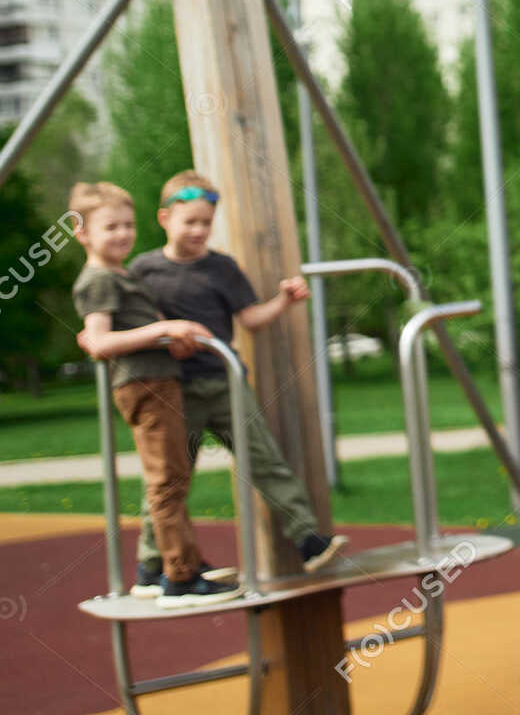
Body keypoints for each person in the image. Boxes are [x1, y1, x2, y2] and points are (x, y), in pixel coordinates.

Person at [127, 170, 347, 588]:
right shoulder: (144, 271)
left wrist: (283, 301)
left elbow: (250, 319)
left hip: (225, 382)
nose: (198, 230)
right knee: (170, 477)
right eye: (189, 221)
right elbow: (137, 322)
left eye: (206, 222)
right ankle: (152, 564)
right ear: (164, 219)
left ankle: (308, 540)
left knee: (264, 459)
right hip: (174, 391)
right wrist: (158, 333)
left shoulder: (222, 268)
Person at [70, 182, 241, 608]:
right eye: (110, 227)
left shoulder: (123, 274)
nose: (123, 234)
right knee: (167, 481)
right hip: (144, 386)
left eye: (128, 225)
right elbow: (100, 342)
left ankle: (159, 568)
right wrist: (165, 329)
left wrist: (176, 336)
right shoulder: (97, 280)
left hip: (161, 380)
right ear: (83, 234)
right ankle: (179, 578)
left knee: (175, 476)